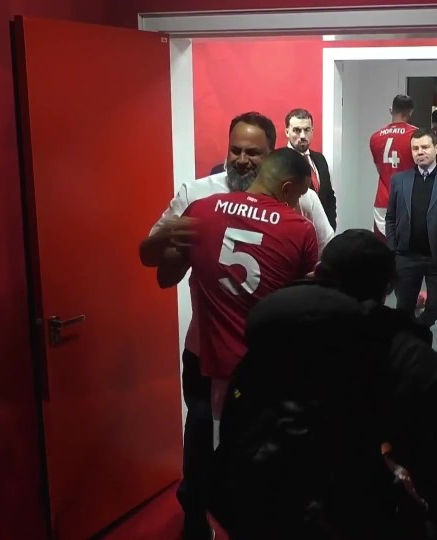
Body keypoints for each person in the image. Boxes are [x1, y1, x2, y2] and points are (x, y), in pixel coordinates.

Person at [138, 111, 333, 540]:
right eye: (235, 151)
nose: (243, 160)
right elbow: (159, 264)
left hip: (269, 357)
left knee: (265, 446)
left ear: (271, 157)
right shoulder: (198, 195)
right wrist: (165, 242)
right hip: (206, 349)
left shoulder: (302, 201)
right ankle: (196, 519)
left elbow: (325, 261)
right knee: (203, 437)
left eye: (254, 153)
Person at [209, 229, 437, 540]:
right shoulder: (410, 360)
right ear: (387, 288)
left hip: (262, 516)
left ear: (318, 272)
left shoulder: (274, 333)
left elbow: (233, 431)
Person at [180, 147, 319, 416]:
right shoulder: (299, 228)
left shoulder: (202, 209)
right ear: (287, 188)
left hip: (203, 361)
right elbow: (303, 304)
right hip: (262, 368)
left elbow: (167, 269)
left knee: (201, 451)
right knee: (254, 450)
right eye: (299, 196)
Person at [385, 128, 437, 328]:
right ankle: (408, 345)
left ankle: (420, 329)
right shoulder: (399, 180)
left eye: (425, 147)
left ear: (436, 148)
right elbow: (390, 216)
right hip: (407, 256)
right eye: (415, 148)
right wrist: (393, 248)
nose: (420, 152)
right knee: (404, 307)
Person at [369, 95, 418, 242]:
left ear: (391, 110)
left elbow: (380, 169)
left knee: (381, 247)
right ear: (411, 112)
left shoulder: (375, 137)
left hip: (383, 199)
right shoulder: (416, 135)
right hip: (408, 198)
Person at [285, 108, 336, 230]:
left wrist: (330, 227)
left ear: (312, 131)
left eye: (307, 130)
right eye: (296, 130)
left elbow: (329, 196)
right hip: (294, 233)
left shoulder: (320, 159)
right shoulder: (280, 162)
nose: (302, 136)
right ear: (287, 132)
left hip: (322, 235)